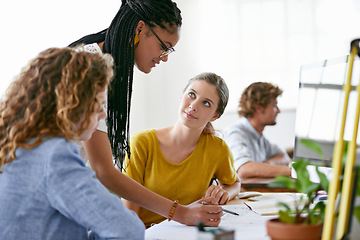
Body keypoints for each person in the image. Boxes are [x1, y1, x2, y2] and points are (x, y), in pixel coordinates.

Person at [69, 0, 222, 226]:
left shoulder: (100, 61)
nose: (166, 56)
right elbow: (104, 172)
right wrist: (181, 213)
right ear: (140, 29)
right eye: (164, 46)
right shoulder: (90, 67)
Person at [0, 47, 145, 240]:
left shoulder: (17, 143)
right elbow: (128, 229)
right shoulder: (54, 155)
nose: (103, 114)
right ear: (74, 102)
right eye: (100, 103)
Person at [122, 72, 241, 227]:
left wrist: (225, 192)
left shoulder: (218, 148)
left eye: (206, 103)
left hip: (189, 232)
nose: (193, 106)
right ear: (181, 96)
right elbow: (129, 214)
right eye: (192, 95)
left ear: (215, 116)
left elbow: (235, 183)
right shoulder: (141, 143)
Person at [224, 82, 291, 178]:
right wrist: (291, 172)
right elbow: (244, 169)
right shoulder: (236, 133)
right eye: (274, 105)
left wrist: (267, 164)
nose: (278, 111)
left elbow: (284, 157)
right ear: (259, 108)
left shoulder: (259, 136)